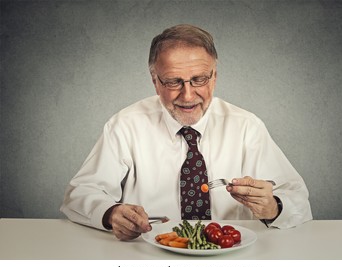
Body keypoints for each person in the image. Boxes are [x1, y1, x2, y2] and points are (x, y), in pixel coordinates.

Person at [61, 24, 312, 241]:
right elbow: (80, 194)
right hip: (146, 256)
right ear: (155, 81)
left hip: (231, 258)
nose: (188, 95)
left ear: (214, 77)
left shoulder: (247, 126)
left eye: (199, 79)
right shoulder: (125, 124)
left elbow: (297, 198)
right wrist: (110, 214)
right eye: (173, 81)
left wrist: (273, 206)